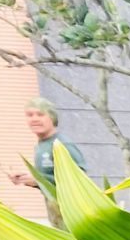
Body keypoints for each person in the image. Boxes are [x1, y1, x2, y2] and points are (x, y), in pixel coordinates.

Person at [8, 97, 84, 226]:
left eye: (40, 114)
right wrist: (28, 179)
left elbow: (79, 177)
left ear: (52, 117)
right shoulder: (41, 146)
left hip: (72, 216)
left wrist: (39, 180)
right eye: (30, 115)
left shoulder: (62, 144)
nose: (34, 119)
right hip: (56, 216)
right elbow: (48, 177)